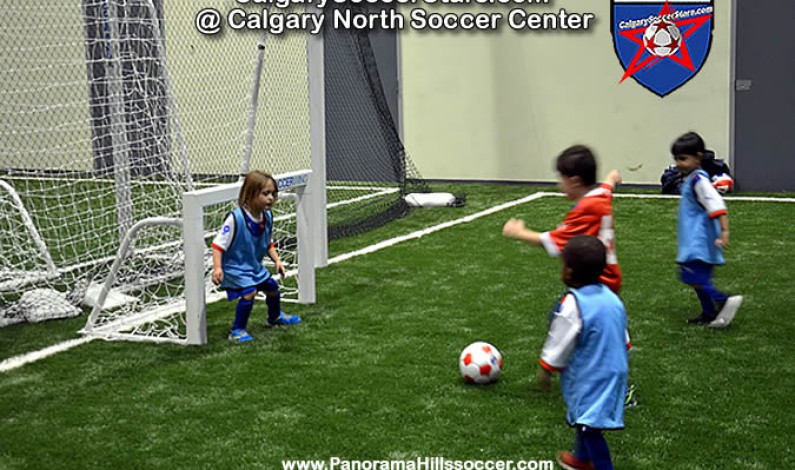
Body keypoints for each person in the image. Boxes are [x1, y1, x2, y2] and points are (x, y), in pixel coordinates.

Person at [537, 235, 629, 470]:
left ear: (569, 271)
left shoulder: (573, 303)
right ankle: (580, 459)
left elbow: (561, 339)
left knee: (589, 427)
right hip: (616, 369)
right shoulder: (612, 298)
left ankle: (599, 465)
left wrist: (546, 368)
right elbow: (624, 337)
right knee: (586, 418)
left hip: (593, 375)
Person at [502, 144, 623, 294]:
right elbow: (607, 188)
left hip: (597, 282)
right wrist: (611, 179)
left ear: (575, 181)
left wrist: (519, 232)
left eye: (562, 179)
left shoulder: (586, 208)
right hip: (610, 276)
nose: (559, 184)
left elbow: (554, 241)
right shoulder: (600, 196)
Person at [211, 170, 301, 343]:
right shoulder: (236, 218)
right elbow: (217, 245)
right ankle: (237, 330)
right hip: (235, 268)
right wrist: (217, 268)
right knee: (249, 293)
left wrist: (277, 260)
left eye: (273, 194)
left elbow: (268, 243)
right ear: (250, 194)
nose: (270, 198)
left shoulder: (267, 217)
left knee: (272, 287)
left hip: (253, 267)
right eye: (265, 193)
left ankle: (274, 317)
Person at [671, 132, 743, 327]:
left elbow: (716, 204)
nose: (679, 163)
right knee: (695, 279)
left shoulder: (699, 181)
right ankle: (708, 312)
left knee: (694, 277)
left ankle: (724, 300)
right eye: (676, 159)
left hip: (699, 240)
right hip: (693, 240)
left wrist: (724, 230)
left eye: (683, 158)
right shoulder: (692, 179)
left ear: (698, 157)